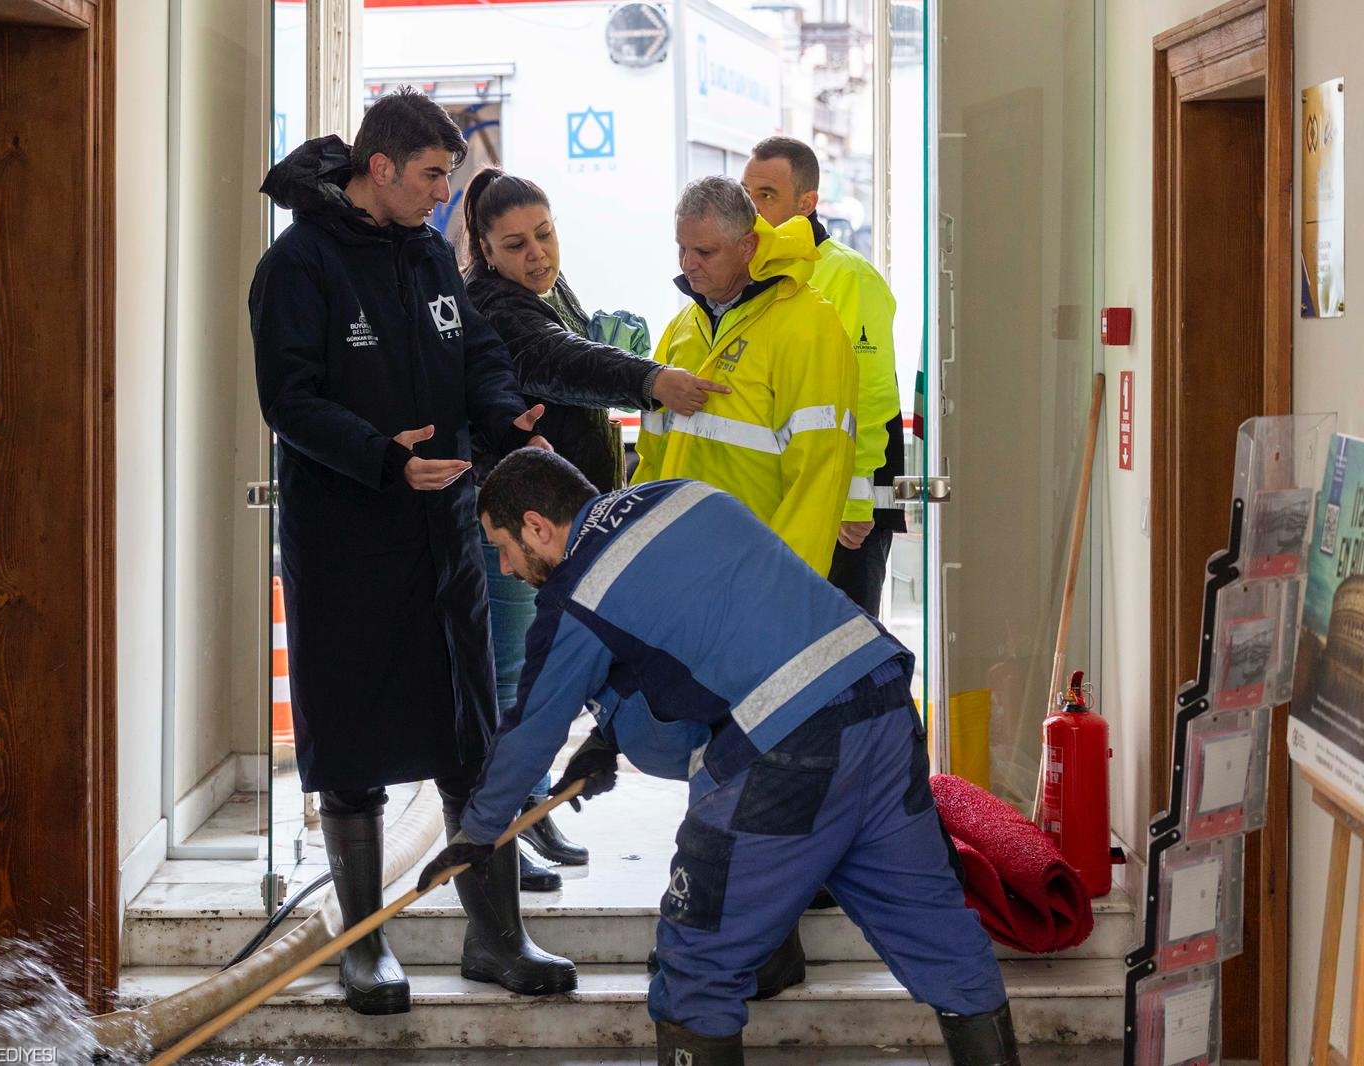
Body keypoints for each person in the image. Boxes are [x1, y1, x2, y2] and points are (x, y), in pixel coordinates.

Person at [419, 450, 1019, 1066]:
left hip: (790, 745)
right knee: (935, 931)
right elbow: (702, 640)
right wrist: (609, 738)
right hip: (881, 704)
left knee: (695, 963)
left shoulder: (578, 592)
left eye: (504, 547)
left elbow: (531, 730)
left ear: (537, 526)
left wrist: (479, 833)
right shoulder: (680, 497)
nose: (507, 566)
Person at [249, 88, 575, 1016]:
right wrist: (385, 460)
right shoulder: (298, 265)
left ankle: (498, 938)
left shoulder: (428, 253)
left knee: (471, 738)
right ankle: (363, 947)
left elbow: (475, 352)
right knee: (350, 745)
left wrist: (507, 415)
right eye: (435, 176)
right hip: (348, 541)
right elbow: (290, 399)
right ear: (381, 167)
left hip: (444, 544)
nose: (445, 194)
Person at [461, 167, 730, 890]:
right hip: (520, 528)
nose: (537, 254)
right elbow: (561, 361)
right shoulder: (494, 303)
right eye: (515, 244)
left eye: (544, 235)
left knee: (535, 672)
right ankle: (499, 839)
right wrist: (649, 378)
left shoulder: (544, 291)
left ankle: (531, 808)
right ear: (485, 251)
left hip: (555, 524)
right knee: (515, 677)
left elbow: (570, 344)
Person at [629, 176, 858, 577]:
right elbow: (652, 455)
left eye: (705, 251)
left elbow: (818, 478)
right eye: (681, 248)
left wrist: (783, 585)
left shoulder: (807, 326)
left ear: (747, 246)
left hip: (757, 572)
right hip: (681, 561)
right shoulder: (683, 326)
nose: (687, 264)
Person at [742, 136, 906, 616]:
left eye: (766, 196)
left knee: (846, 647)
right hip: (793, 499)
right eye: (746, 193)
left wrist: (856, 502)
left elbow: (873, 395)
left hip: (845, 512)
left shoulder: (848, 276)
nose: (751, 208)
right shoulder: (758, 277)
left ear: (807, 203)